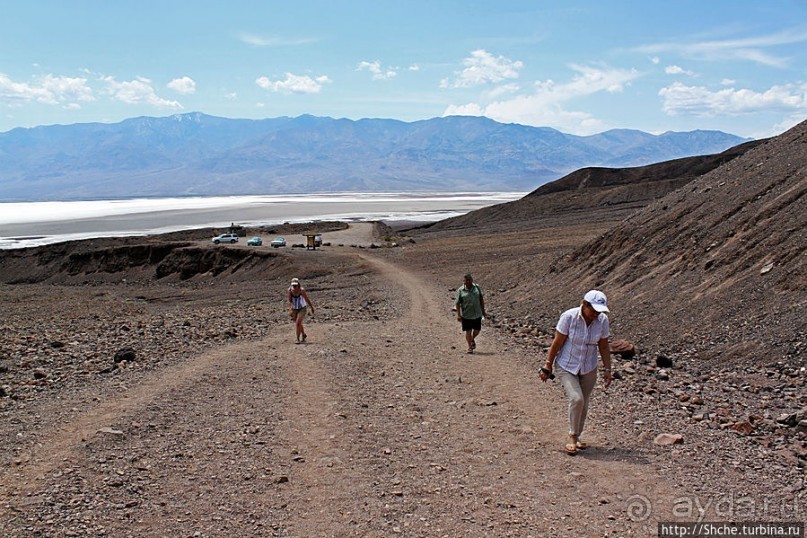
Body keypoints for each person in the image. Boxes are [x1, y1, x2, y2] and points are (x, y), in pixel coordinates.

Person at [539, 290, 613, 455]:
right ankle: (572, 436)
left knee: (584, 402)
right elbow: (557, 343)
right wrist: (548, 365)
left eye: (599, 311)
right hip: (567, 365)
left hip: (589, 366)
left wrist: (607, 369)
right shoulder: (569, 317)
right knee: (576, 398)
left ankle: (578, 436)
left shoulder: (602, 320)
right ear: (584, 304)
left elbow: (603, 346)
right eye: (593, 310)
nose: (596, 314)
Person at [455, 273, 487, 354]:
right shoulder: (460, 290)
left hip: (477, 313)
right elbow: (457, 303)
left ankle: (472, 338)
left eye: (470, 280)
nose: (468, 282)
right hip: (466, 315)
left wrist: (483, 311)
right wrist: (459, 314)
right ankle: (470, 347)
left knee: (477, 330)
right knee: (468, 331)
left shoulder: (477, 288)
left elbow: (481, 299)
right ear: (464, 281)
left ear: (472, 280)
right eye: (466, 280)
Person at [287, 278, 315, 343]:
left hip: (302, 308)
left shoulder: (302, 290)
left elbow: (306, 299)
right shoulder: (290, 290)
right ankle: (303, 334)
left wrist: (311, 307)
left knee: (297, 323)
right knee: (299, 323)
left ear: (298, 284)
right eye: (293, 285)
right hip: (294, 308)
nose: (294, 287)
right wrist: (290, 309)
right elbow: (289, 300)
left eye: (295, 285)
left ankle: (297, 339)